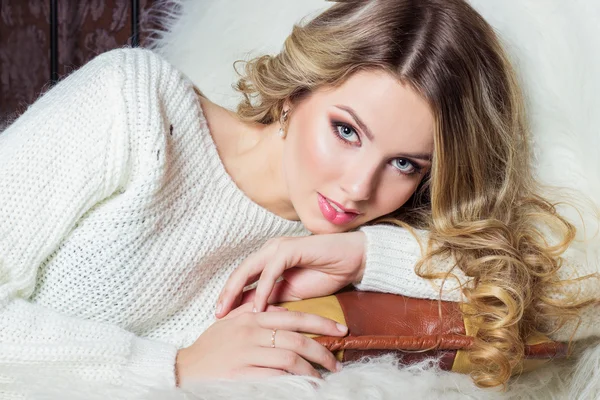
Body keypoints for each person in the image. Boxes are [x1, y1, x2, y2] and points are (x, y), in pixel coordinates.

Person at [0, 0, 596, 395]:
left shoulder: (339, 251)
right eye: (346, 130)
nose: (358, 188)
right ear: (294, 94)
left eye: (404, 163)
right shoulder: (135, 108)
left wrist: (366, 256)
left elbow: (562, 307)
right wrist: (170, 370)